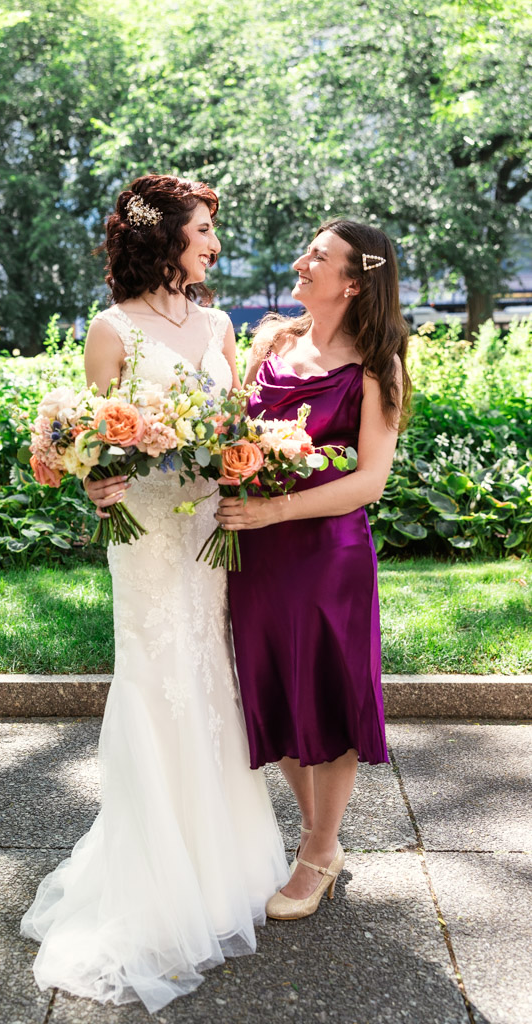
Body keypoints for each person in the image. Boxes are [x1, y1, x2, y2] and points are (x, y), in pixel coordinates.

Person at [21, 175, 288, 1011]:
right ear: (162, 236)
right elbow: (95, 442)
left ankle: (219, 865)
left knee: (209, 671)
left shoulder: (216, 323)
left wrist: (244, 456)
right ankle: (151, 880)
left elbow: (234, 416)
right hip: (144, 534)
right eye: (203, 229)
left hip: (206, 522)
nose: (213, 243)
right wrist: (92, 482)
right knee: (154, 672)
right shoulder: (111, 329)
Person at [216, 219, 410, 921]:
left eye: (317, 256)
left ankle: (320, 849)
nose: (301, 262)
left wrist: (273, 512)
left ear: (353, 282)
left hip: (325, 559)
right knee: (278, 694)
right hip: (255, 559)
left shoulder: (375, 367)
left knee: (324, 698)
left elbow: (368, 483)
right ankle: (314, 838)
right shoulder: (272, 341)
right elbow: (225, 435)